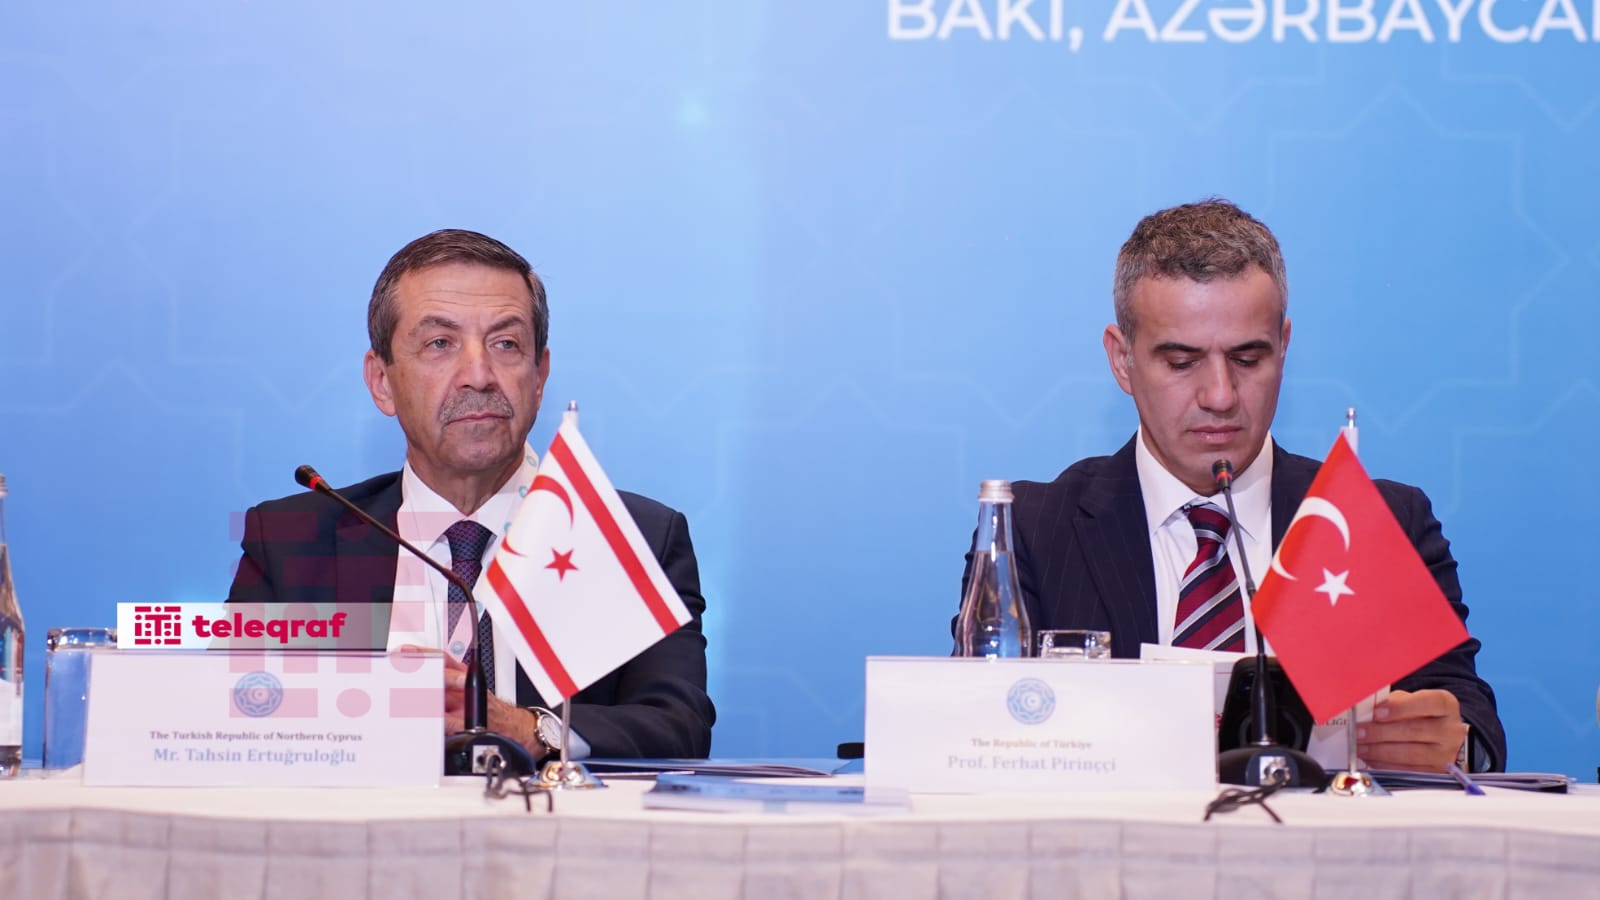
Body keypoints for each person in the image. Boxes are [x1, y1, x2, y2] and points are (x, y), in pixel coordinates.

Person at [960, 199, 1505, 773]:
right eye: (1181, 362)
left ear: (1283, 347)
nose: (1219, 395)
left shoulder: (1375, 518)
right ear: (1121, 360)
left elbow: (1467, 715)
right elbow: (978, 723)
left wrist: (1449, 743)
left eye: (1247, 359)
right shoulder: (1033, 530)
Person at [229, 229, 714, 761]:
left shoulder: (631, 538)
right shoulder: (294, 543)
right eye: (440, 344)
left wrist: (531, 728)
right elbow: (232, 711)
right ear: (382, 381)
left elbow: (679, 727)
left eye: (506, 344)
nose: (478, 375)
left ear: (539, 376)